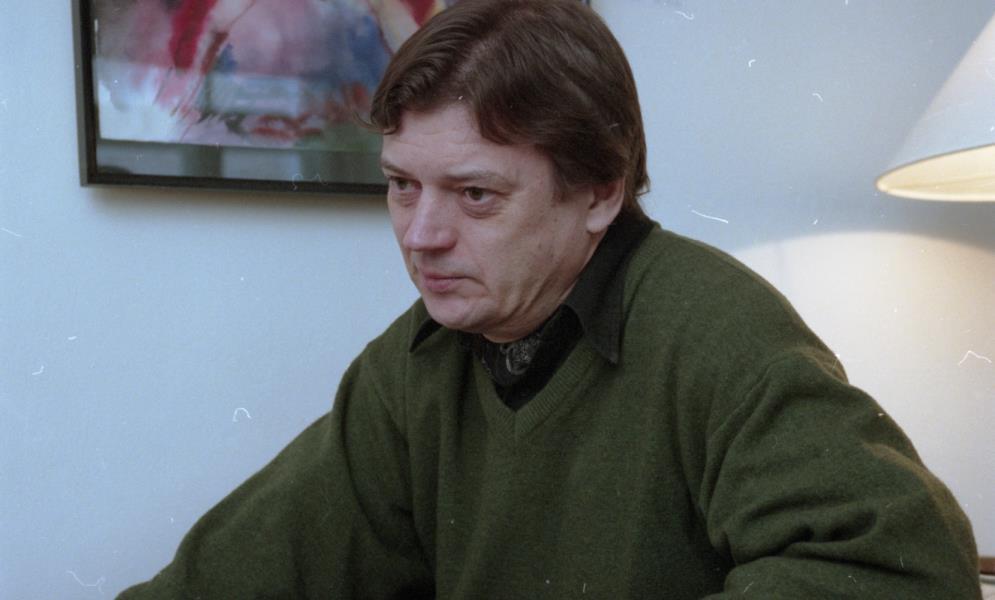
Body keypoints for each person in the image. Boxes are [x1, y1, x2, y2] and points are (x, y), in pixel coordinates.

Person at [119, 0, 982, 598]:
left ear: (600, 191)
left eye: (475, 195)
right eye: (401, 185)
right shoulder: (411, 367)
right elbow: (237, 575)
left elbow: (898, 571)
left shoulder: (713, 327)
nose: (420, 235)